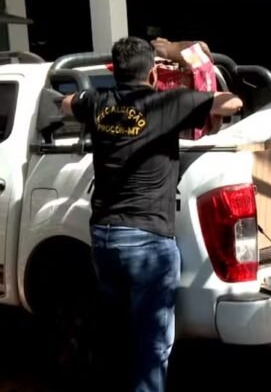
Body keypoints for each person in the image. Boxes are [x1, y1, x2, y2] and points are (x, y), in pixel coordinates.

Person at [61, 36, 243, 392]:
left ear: (115, 72)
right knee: (152, 346)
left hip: (105, 238)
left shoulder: (97, 102)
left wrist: (83, 101)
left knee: (118, 336)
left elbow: (67, 103)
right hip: (148, 241)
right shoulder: (168, 102)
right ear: (153, 74)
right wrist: (183, 61)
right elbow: (232, 102)